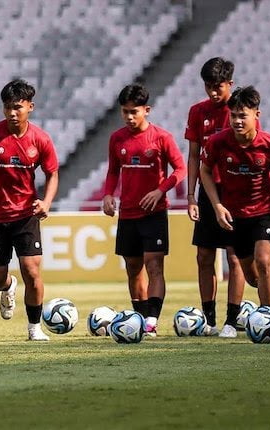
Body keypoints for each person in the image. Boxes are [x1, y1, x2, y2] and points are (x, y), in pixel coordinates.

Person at [0, 79, 58, 341]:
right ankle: (8, 287)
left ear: (30, 106)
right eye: (7, 107)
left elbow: (52, 173)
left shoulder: (40, 139)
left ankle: (34, 328)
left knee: (32, 271)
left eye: (17, 107)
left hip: (25, 216)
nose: (11, 113)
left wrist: (46, 202)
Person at [201, 86, 270, 321]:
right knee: (253, 276)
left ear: (256, 115)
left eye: (242, 115)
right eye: (233, 115)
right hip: (235, 215)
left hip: (266, 210)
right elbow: (205, 171)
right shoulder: (218, 142)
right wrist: (217, 206)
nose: (237, 120)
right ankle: (257, 313)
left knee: (264, 261)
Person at [102, 84, 186, 337]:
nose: (129, 117)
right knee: (132, 268)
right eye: (125, 112)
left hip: (154, 213)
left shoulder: (162, 138)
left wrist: (160, 190)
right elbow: (113, 171)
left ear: (146, 110)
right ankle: (138, 318)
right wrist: (108, 194)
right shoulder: (117, 138)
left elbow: (180, 170)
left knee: (154, 266)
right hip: (127, 213)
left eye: (134, 112)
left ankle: (152, 319)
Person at [185, 57, 249, 338]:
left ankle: (231, 322)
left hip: (234, 192)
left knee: (235, 258)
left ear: (230, 85)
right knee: (204, 256)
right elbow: (192, 155)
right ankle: (209, 321)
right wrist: (190, 195)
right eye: (208, 86)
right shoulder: (198, 112)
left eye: (218, 86)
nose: (212, 92)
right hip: (206, 192)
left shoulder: (239, 112)